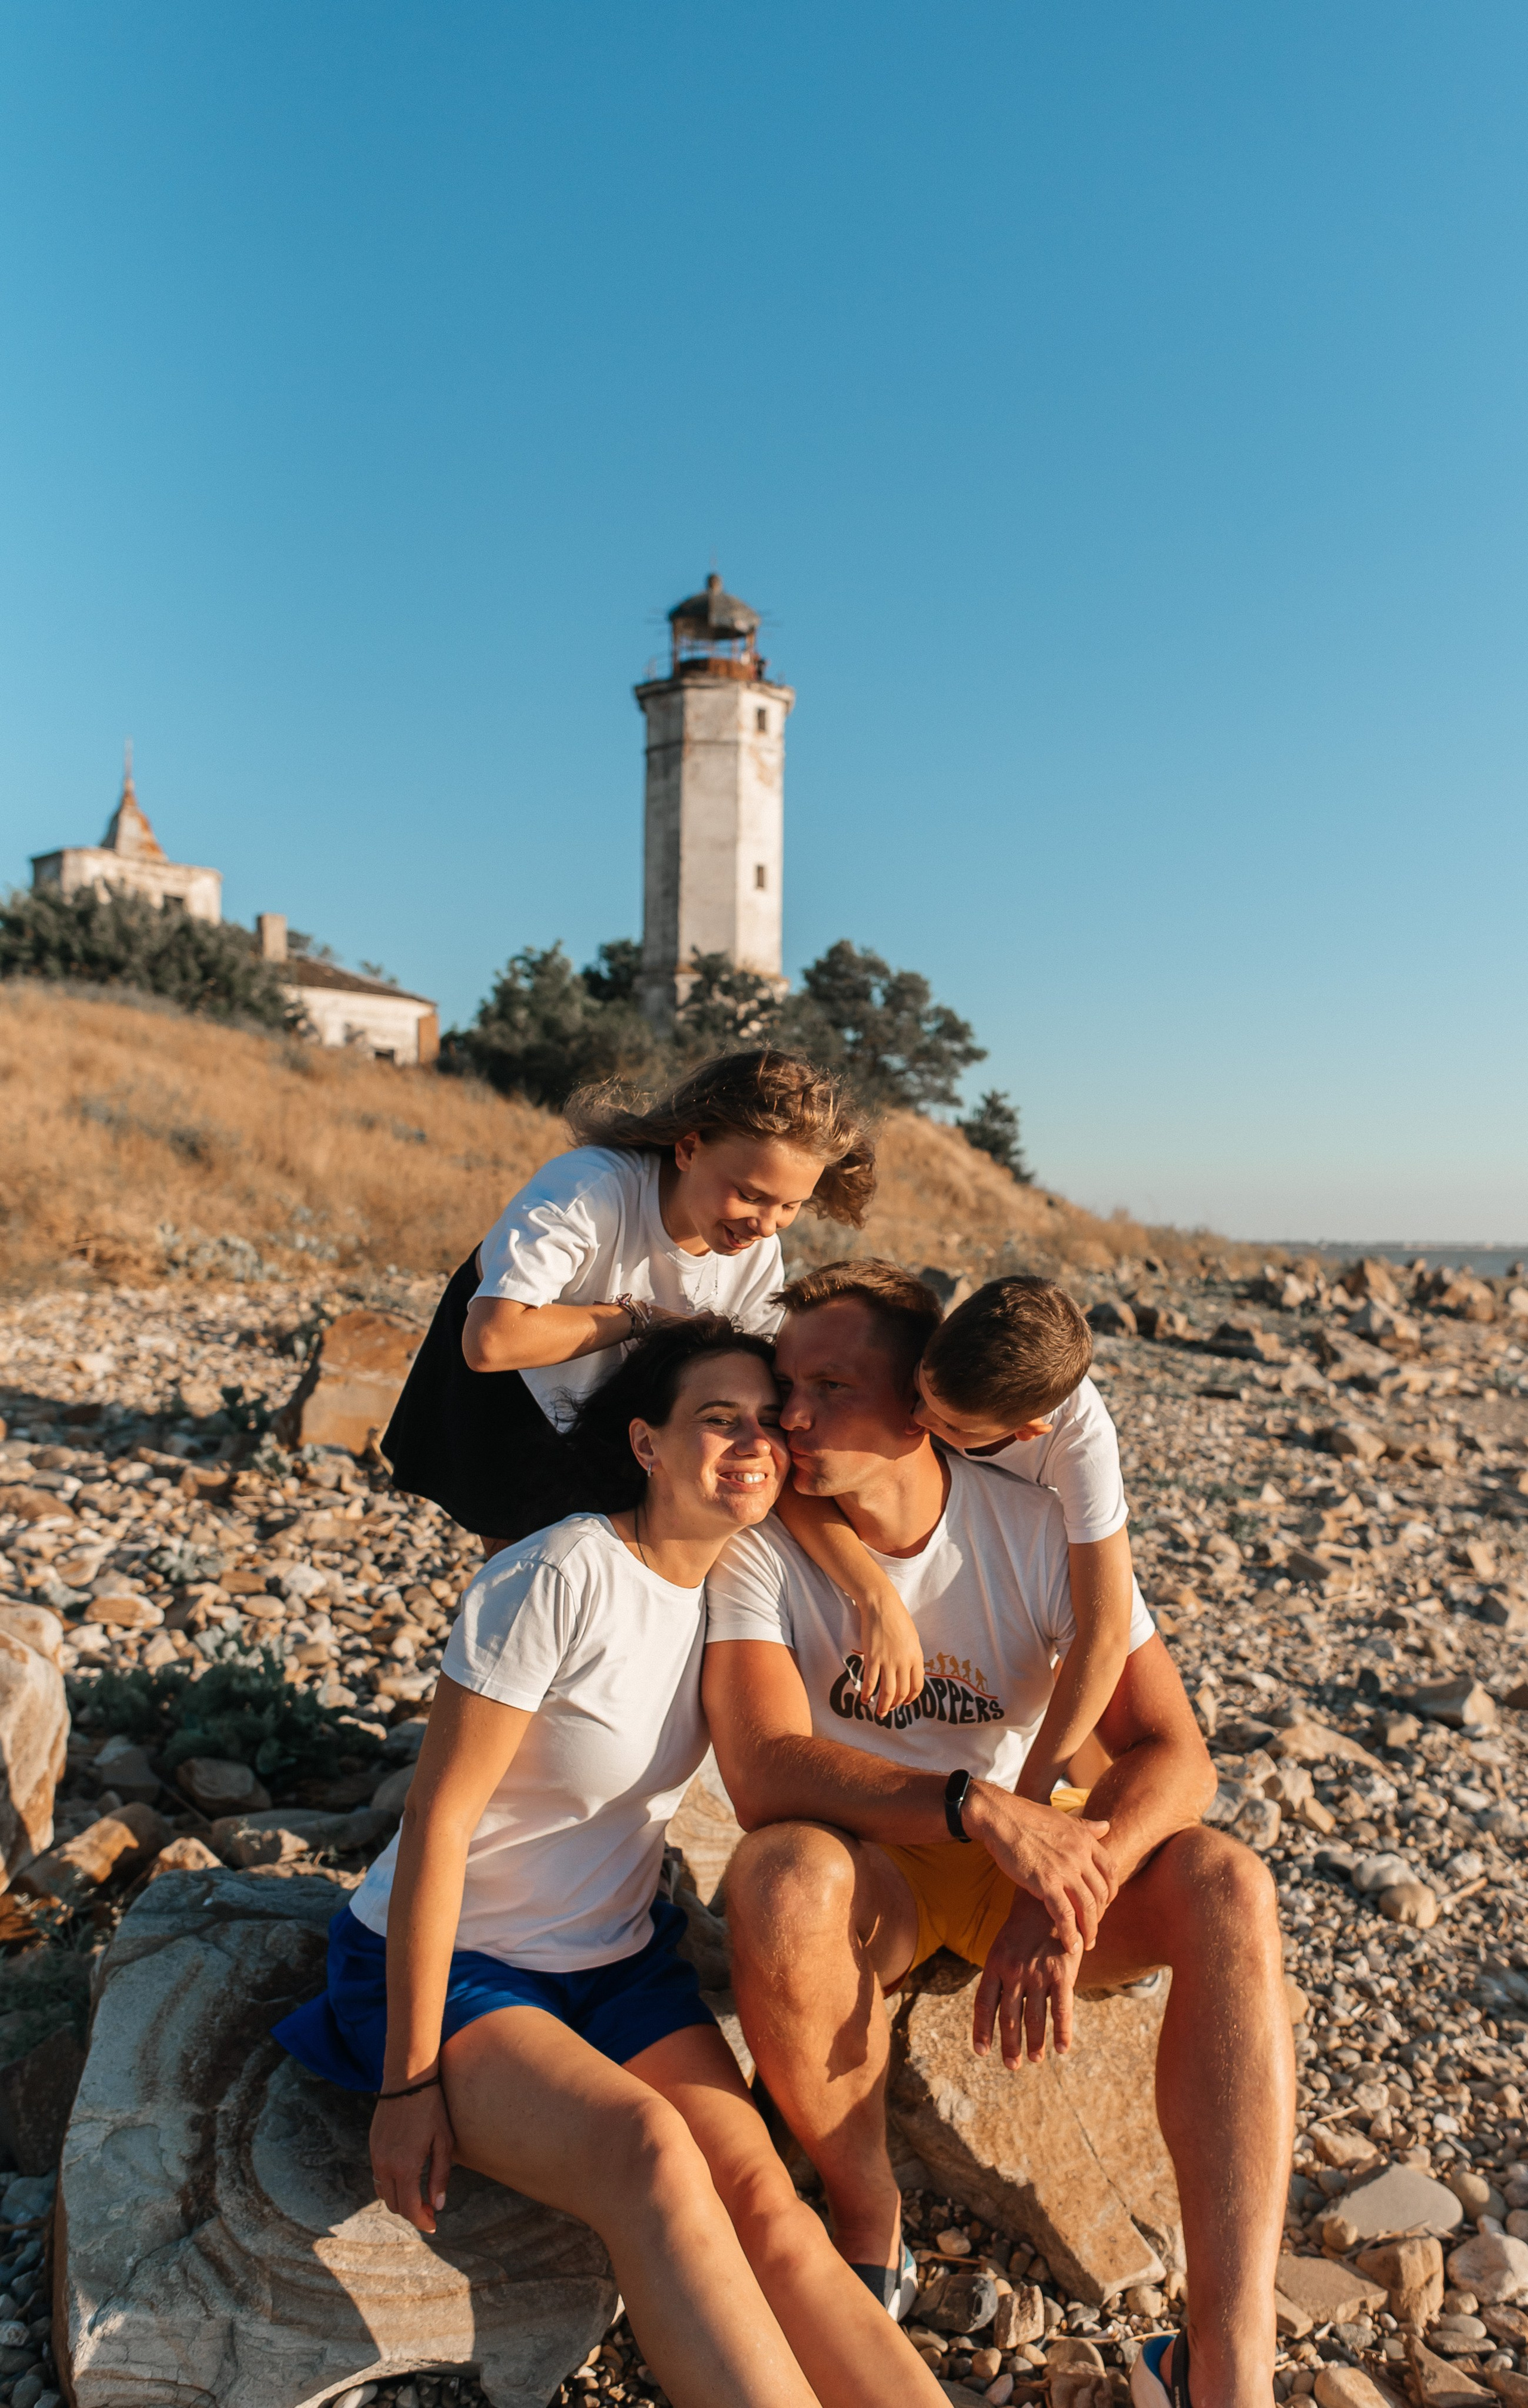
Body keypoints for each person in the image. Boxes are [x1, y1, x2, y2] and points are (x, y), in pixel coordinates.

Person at [276, 1316, 949, 2408]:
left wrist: (876, 1594)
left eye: (767, 1425)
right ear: (645, 1443)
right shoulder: (558, 1575)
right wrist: (408, 2083)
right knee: (650, 2154)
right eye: (715, 1421)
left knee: (768, 2201)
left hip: (620, 1965)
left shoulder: (739, 1589)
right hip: (467, 1968)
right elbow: (438, 1822)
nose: (751, 1445)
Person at [702, 1262, 1293, 2406]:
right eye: (787, 1383)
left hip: (1028, 1841)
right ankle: (869, 2219)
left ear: (922, 1404)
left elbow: (1179, 1755)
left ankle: (1225, 2360)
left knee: (1228, 1883)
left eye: (832, 1384)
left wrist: (1066, 1881)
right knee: (777, 1881)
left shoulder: (1036, 1525)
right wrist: (977, 1806)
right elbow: (763, 1769)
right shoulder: (758, 1539)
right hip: (878, 1864)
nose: (795, 1415)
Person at [381, 1048, 875, 1552]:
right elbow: (491, 1342)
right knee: (526, 1580)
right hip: (515, 1396)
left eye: (790, 1205)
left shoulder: (758, 1251)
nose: (766, 1225)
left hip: (628, 1410)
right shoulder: (589, 1188)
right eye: (750, 1195)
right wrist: (638, 1317)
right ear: (689, 1148)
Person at [789, 1271, 1144, 1799]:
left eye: (947, 1424)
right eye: (919, 1389)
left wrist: (1032, 1800)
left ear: (1026, 1432)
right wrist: (877, 1595)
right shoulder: (953, 1356)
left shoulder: (1080, 1447)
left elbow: (1105, 1633)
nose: (916, 1415)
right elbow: (800, 1482)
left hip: (1012, 1574)